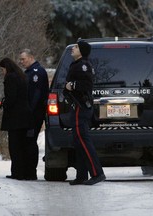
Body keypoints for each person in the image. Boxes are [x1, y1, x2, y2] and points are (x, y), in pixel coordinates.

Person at [63, 40, 106, 185]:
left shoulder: (83, 65)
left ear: (81, 50)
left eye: (75, 47)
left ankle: (97, 173)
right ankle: (81, 175)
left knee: (83, 141)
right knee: (78, 142)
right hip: (77, 107)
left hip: (81, 107)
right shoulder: (77, 64)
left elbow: (86, 85)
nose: (72, 48)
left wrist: (72, 85)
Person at [0, 58, 34, 180]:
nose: (3, 72)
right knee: (23, 145)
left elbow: (11, 97)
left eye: (3, 69)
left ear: (7, 68)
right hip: (25, 115)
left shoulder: (10, 78)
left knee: (14, 146)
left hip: (15, 117)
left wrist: (5, 104)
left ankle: (17, 172)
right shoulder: (22, 76)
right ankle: (25, 172)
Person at [19, 49, 49, 179]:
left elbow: (36, 94)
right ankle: (27, 171)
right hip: (30, 113)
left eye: (23, 59)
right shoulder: (30, 72)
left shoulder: (37, 72)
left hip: (34, 114)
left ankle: (31, 172)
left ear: (31, 57)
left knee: (30, 141)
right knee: (27, 141)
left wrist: (29, 110)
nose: (21, 62)